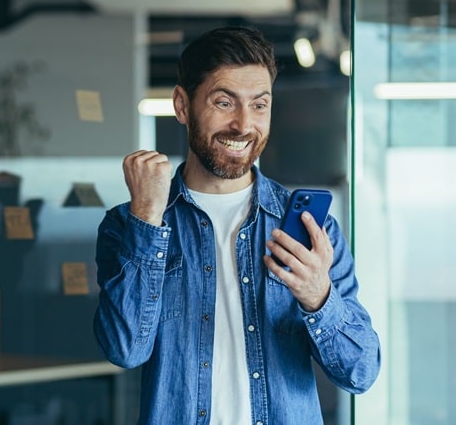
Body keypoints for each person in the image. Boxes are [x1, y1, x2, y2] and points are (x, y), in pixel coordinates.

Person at [93, 26, 380, 424]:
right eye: (224, 102)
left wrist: (319, 297)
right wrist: (146, 218)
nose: (243, 124)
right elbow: (125, 349)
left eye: (259, 105)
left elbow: (360, 373)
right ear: (181, 105)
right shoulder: (129, 226)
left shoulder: (312, 229)